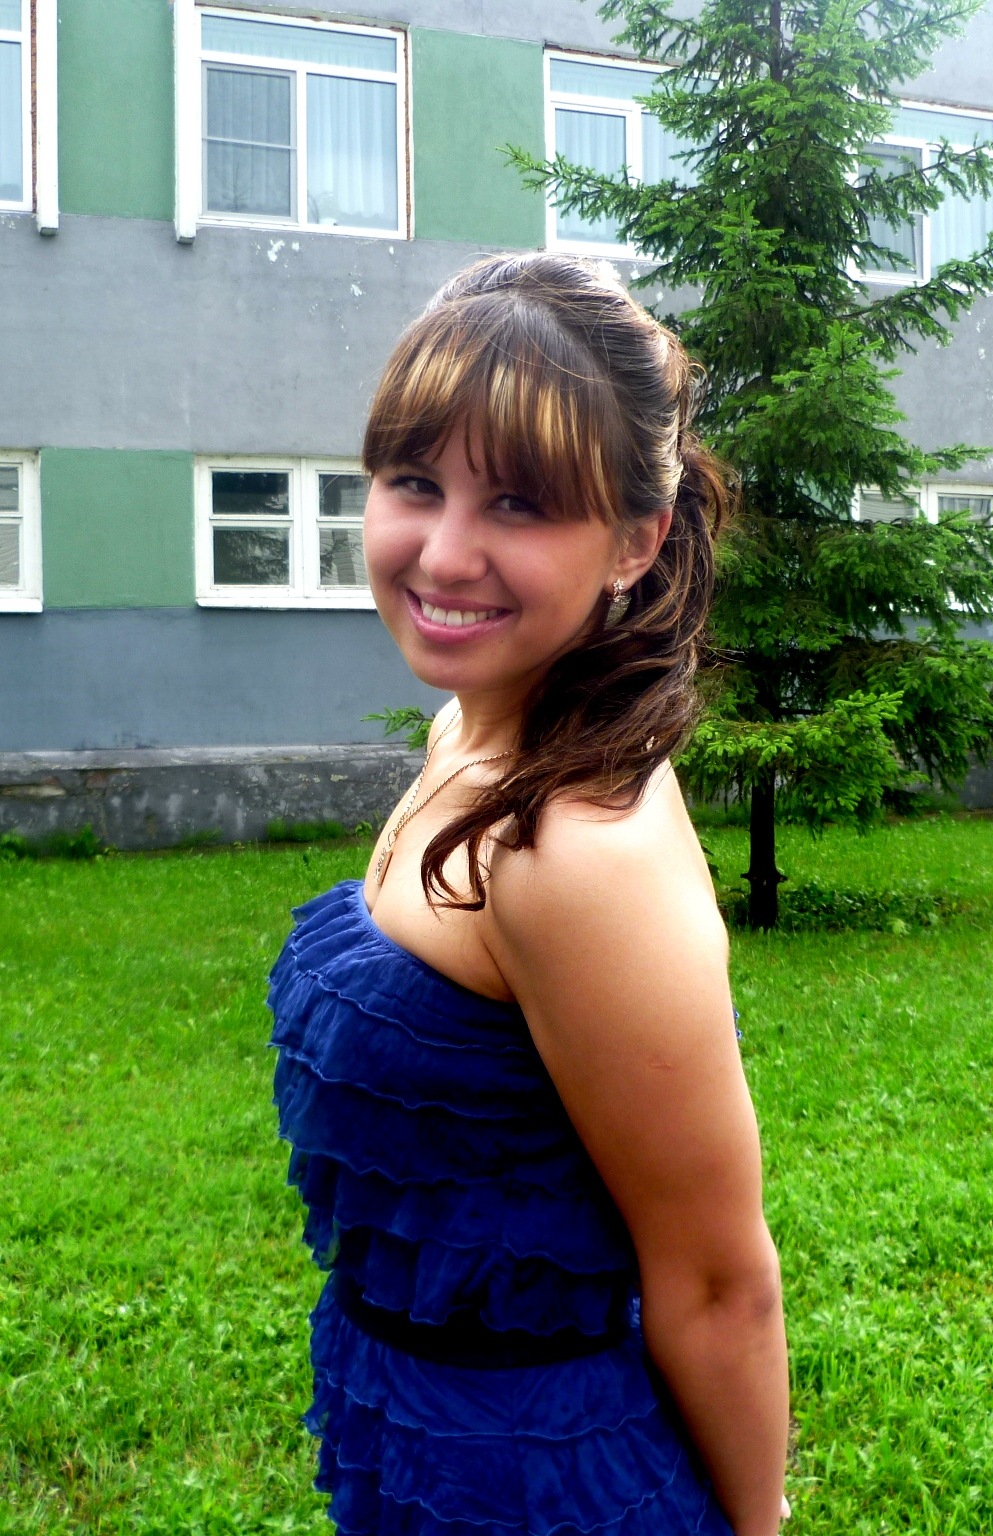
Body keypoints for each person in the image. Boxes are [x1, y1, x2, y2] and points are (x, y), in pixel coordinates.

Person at [267, 252, 790, 1536]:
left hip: (537, 1486)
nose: (445, 553)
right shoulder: (471, 736)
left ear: (635, 541)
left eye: (519, 502)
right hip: (413, 1424)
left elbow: (717, 1283)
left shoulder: (575, 849)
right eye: (415, 482)